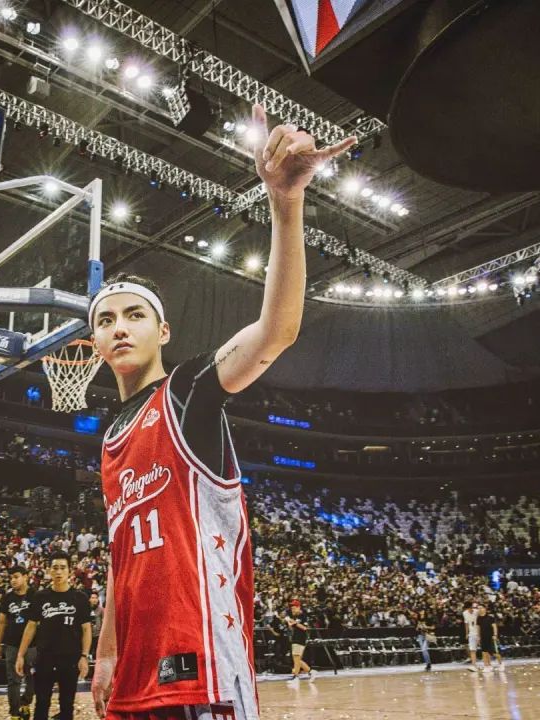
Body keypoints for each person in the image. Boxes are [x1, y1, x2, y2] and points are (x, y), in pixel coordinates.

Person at [89, 105, 355, 720]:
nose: (120, 327)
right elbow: (120, 556)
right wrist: (106, 651)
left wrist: (285, 203)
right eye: (106, 320)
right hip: (134, 666)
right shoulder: (108, 439)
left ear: (163, 331)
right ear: (94, 343)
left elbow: (275, 332)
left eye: (134, 315)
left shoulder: (187, 391)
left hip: (200, 658)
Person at [16, 552, 92, 720]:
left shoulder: (80, 598)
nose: (58, 572)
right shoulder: (40, 597)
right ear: (49, 570)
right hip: (45, 657)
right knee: (41, 702)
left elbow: (86, 629)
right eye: (55, 568)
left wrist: (84, 656)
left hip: (70, 657)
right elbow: (30, 627)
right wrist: (20, 655)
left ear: (69, 571)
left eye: (62, 568)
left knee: (67, 704)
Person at [0, 565, 35, 720]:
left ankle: (25, 702)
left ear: (25, 577)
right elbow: (1, 622)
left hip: (33, 644)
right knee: (13, 680)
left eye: (16, 577)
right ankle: (14, 713)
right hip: (12, 644)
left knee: (33, 677)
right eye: (11, 578)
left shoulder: (35, 595)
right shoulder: (7, 597)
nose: (13, 580)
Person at [285, 601, 313, 680]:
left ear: (298, 607)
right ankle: (310, 671)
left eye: (294, 608)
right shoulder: (294, 616)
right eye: (291, 609)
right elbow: (292, 628)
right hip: (295, 638)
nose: (292, 610)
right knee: (296, 659)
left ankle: (296, 675)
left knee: (296, 658)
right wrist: (289, 623)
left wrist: (294, 623)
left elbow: (304, 628)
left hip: (300, 639)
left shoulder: (303, 616)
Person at [477, 605, 503, 672]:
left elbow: (494, 627)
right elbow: (478, 628)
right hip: (483, 637)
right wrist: (478, 637)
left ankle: (501, 664)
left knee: (494, 652)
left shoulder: (490, 618)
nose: (480, 609)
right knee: (484, 652)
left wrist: (495, 635)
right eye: (478, 608)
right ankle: (487, 666)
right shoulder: (478, 618)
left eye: (481, 608)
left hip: (491, 637)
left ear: (485, 609)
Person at [461, 601, 480, 671]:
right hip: (471, 633)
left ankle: (488, 665)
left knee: (486, 650)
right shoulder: (464, 613)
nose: (469, 609)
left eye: (470, 608)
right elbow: (466, 623)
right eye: (468, 608)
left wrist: (479, 635)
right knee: (472, 649)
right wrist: (467, 633)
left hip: (479, 632)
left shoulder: (477, 612)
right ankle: (474, 665)